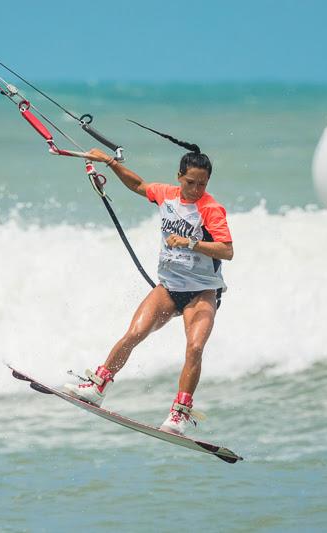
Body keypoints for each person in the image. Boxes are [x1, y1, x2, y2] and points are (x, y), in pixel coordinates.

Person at [64, 127, 233, 436]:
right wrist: (110, 163)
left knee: (194, 348)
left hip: (202, 293)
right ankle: (97, 386)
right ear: (179, 176)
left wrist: (191, 243)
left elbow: (227, 250)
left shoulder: (211, 209)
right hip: (169, 288)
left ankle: (179, 415)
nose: (196, 189)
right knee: (134, 333)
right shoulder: (167, 194)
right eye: (190, 182)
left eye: (202, 184)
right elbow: (139, 185)